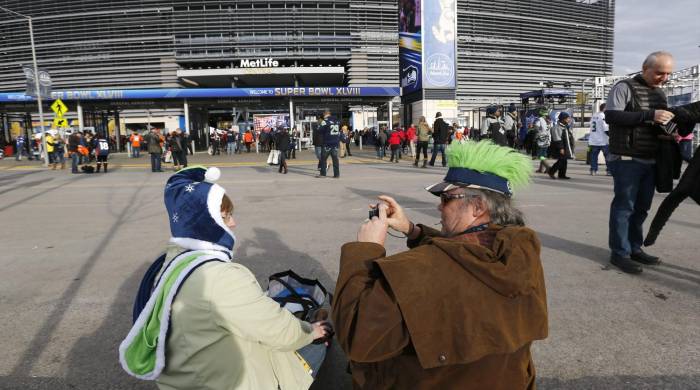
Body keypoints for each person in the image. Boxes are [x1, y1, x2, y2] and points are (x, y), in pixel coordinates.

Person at [333, 141, 548, 389]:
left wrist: (365, 249)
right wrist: (411, 230)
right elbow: (465, 256)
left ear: (478, 206)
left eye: (447, 198)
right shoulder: (520, 252)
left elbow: (357, 335)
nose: (438, 206)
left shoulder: (424, 268)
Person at [119, 166, 332, 390]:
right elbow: (281, 333)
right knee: (318, 341)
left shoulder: (168, 263)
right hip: (225, 382)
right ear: (204, 222)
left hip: (184, 377)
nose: (233, 223)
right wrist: (311, 331)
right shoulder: (220, 277)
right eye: (225, 216)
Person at [605, 51, 675, 274]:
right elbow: (612, 116)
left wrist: (669, 131)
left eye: (667, 74)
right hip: (626, 158)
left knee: (642, 208)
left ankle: (635, 248)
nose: (663, 78)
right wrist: (649, 116)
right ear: (645, 68)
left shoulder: (660, 94)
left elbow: (657, 122)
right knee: (625, 207)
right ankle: (620, 253)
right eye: (659, 73)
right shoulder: (624, 87)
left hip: (651, 158)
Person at [547, 112, 573, 180]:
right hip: (559, 147)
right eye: (567, 118)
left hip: (565, 146)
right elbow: (557, 139)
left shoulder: (565, 126)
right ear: (563, 119)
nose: (569, 119)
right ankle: (551, 171)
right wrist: (561, 148)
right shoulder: (557, 128)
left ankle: (562, 174)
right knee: (561, 160)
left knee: (564, 160)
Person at [589, 103, 611, 175]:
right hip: (603, 140)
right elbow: (606, 129)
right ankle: (609, 171)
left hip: (593, 140)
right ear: (605, 109)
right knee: (608, 156)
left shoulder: (594, 115)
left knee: (594, 156)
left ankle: (593, 170)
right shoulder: (604, 116)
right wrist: (611, 136)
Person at [318, 110, 341, 178]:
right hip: (335, 144)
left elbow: (320, 130)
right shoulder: (337, 121)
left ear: (324, 114)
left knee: (323, 159)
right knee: (335, 160)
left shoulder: (325, 121)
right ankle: (336, 174)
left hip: (327, 144)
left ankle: (323, 174)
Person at [534, 108, 552, 174]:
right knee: (543, 155)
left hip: (541, 139)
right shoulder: (549, 120)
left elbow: (536, 127)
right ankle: (541, 169)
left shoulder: (540, 119)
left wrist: (536, 130)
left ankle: (548, 167)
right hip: (547, 139)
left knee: (540, 156)